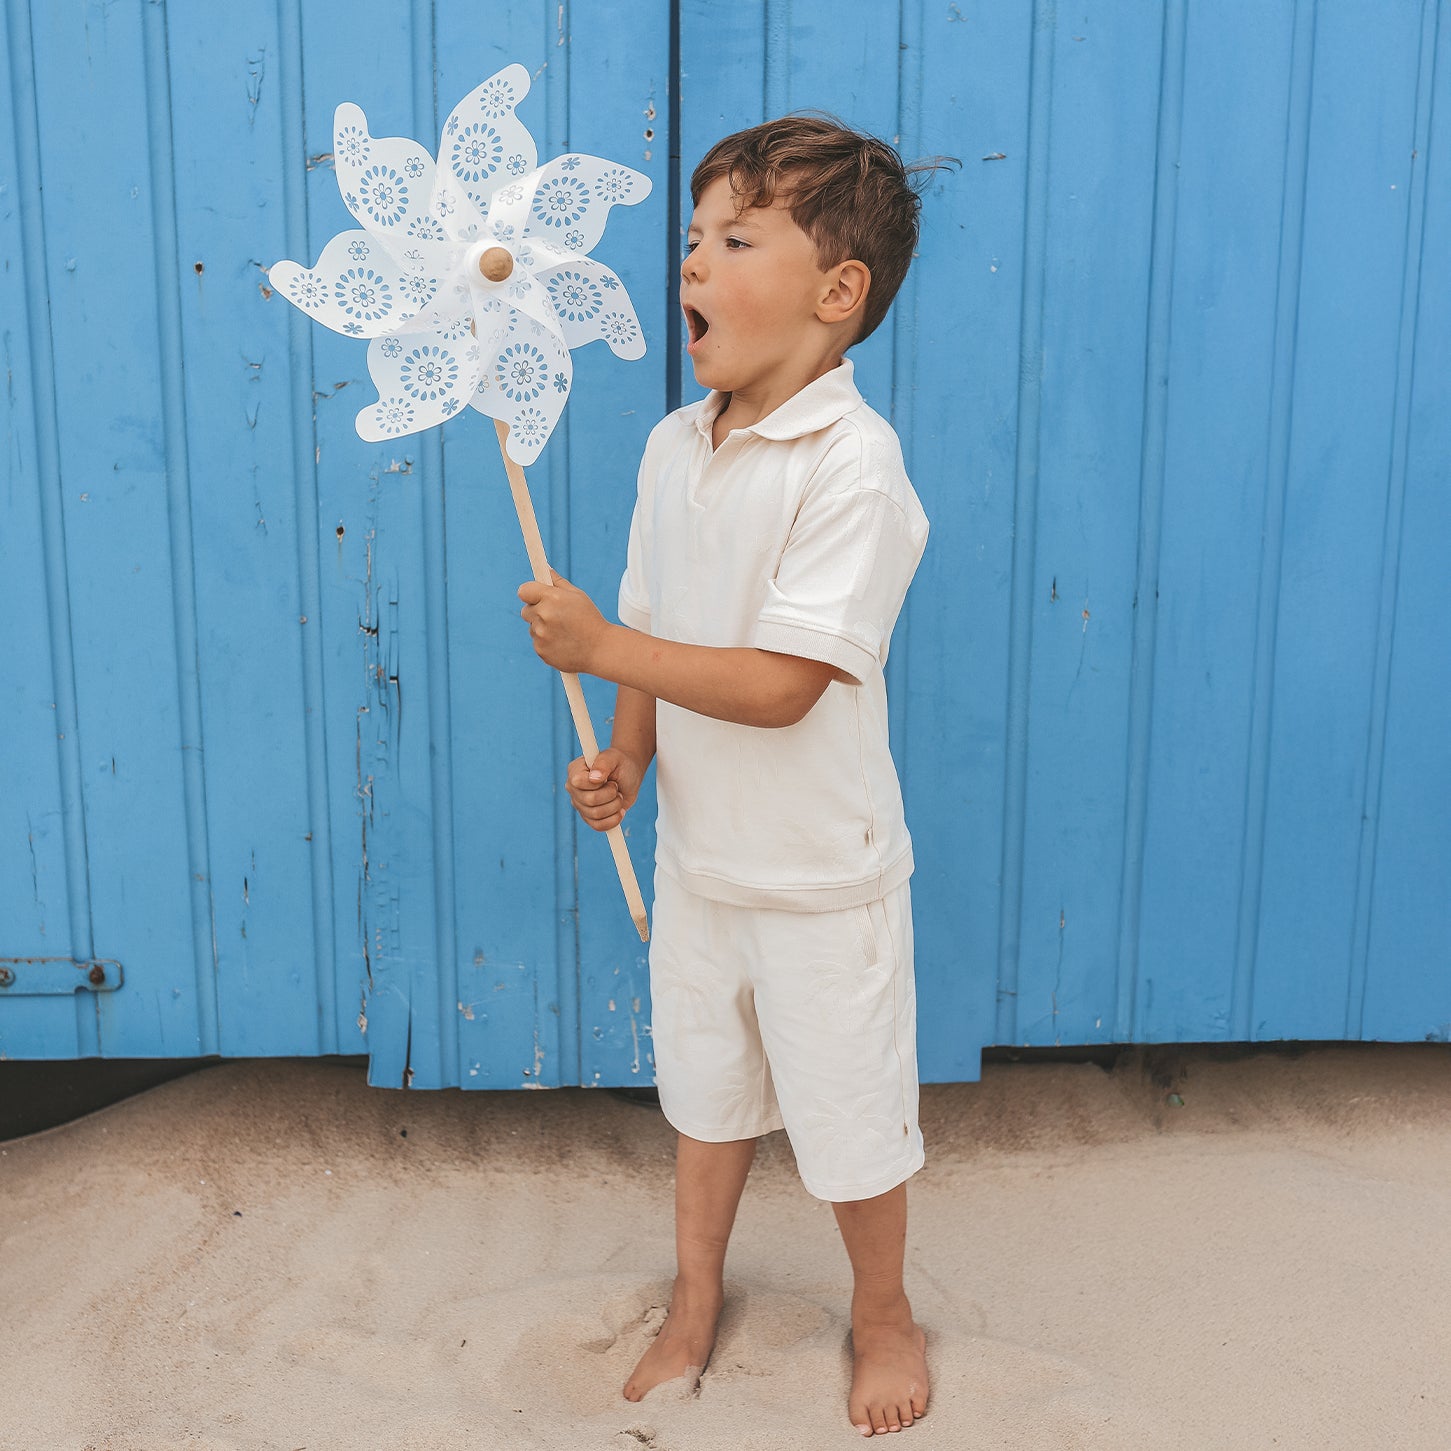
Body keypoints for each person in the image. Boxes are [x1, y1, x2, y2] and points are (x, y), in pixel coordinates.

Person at [518, 114, 941, 1437]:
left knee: (850, 1122)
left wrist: (603, 645)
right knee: (706, 1099)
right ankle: (695, 1298)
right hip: (702, 866)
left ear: (837, 290)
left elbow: (781, 683)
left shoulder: (853, 467)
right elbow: (658, 623)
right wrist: (627, 754)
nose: (693, 262)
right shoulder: (671, 448)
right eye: (693, 237)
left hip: (820, 881)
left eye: (736, 239)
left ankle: (883, 1309)